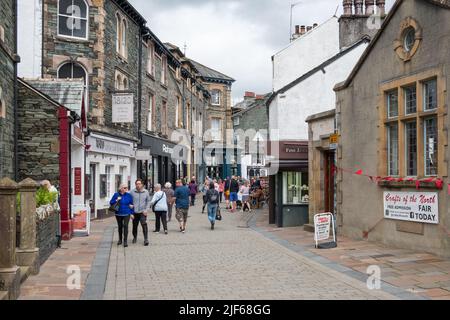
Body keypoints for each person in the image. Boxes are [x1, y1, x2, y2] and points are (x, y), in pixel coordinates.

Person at [129, 179, 151, 246]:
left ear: (142, 184)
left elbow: (148, 201)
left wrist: (146, 210)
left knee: (144, 224)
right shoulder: (132, 192)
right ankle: (135, 237)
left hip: (142, 212)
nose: (138, 185)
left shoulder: (146, 192)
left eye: (139, 184)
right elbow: (129, 202)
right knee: (135, 226)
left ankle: (146, 239)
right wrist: (131, 213)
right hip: (134, 212)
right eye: (137, 184)